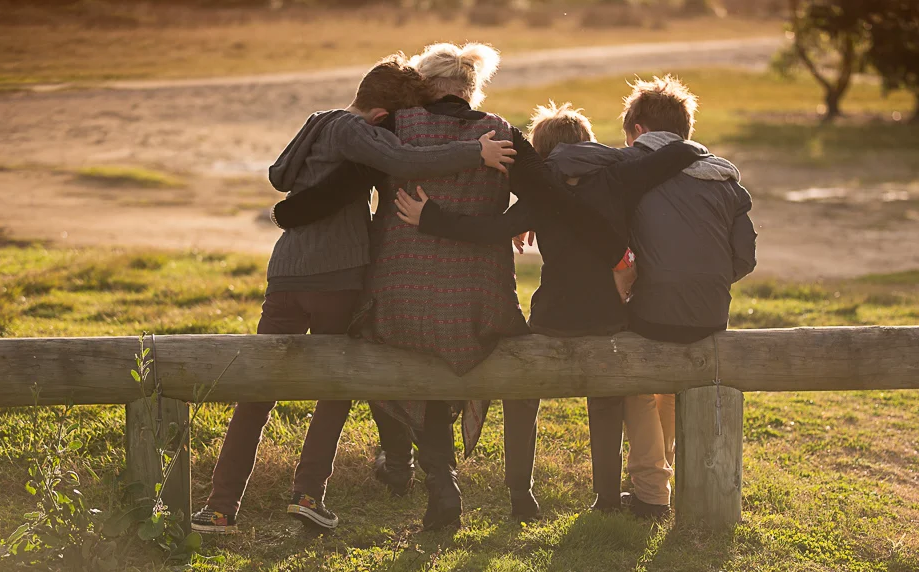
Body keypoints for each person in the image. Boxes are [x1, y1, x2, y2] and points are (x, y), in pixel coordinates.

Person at [189, 54, 516, 535]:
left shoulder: (318, 122)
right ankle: (307, 494)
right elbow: (405, 160)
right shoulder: (360, 133)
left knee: (258, 391)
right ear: (383, 118)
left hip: (286, 274)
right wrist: (476, 154)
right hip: (338, 275)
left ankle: (220, 508)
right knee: (336, 390)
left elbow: (280, 175)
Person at [350, 43, 643, 530]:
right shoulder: (502, 135)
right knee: (451, 345)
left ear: (426, 86)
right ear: (472, 89)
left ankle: (424, 470)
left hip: (398, 294)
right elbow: (553, 200)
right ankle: (434, 474)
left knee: (378, 345)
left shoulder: (393, 129)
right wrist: (616, 254)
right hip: (478, 304)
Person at [393, 100, 706, 514]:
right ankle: (607, 497)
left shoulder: (544, 188)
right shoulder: (619, 174)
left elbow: (491, 230)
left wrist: (430, 216)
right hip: (609, 317)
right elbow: (676, 154)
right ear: (589, 142)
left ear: (540, 155)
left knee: (522, 394)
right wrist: (696, 149)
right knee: (607, 398)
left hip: (554, 316)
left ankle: (521, 494)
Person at [549, 75, 756, 518]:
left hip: (650, 309)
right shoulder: (725, 179)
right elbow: (746, 257)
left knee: (637, 386)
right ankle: (660, 474)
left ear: (638, 132)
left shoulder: (626, 171)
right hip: (710, 313)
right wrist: (708, 281)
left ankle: (651, 493)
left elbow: (565, 155)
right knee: (672, 383)